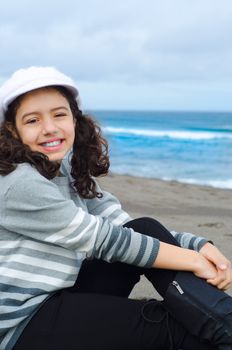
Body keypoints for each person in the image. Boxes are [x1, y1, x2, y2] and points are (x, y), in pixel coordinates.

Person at [0, 66, 231, 350]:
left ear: (74, 119)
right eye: (33, 120)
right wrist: (194, 261)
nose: (49, 128)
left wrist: (196, 246)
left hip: (62, 295)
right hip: (23, 323)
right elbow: (106, 241)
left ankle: (225, 321)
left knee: (144, 228)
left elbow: (125, 227)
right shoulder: (19, 182)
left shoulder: (63, 171)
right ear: (13, 130)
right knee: (177, 330)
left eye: (59, 114)